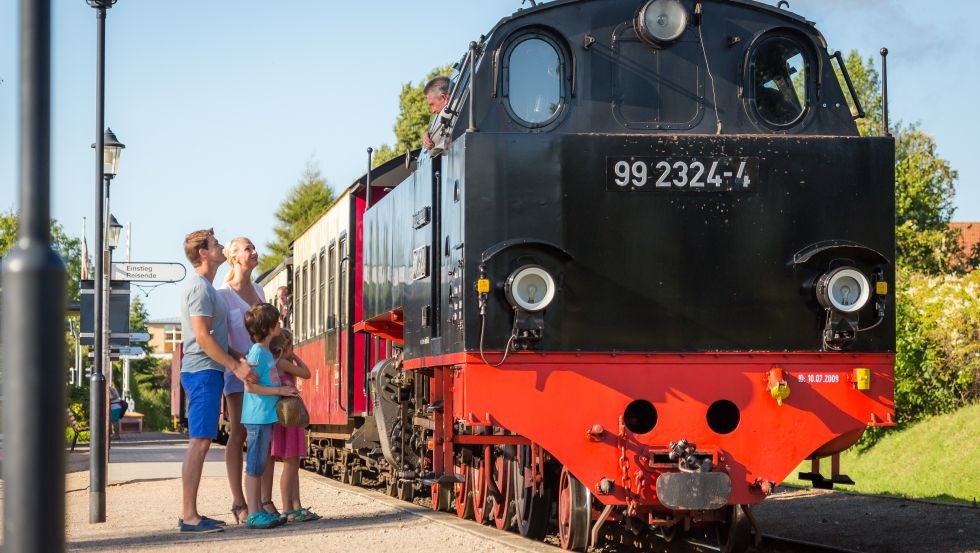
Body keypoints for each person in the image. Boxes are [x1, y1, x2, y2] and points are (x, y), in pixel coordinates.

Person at [178, 228, 256, 533]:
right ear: (203, 253)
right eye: (215, 244)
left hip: (209, 370)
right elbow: (202, 337)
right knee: (199, 442)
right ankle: (189, 516)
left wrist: (237, 357)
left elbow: (218, 339)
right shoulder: (199, 288)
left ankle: (190, 514)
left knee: (202, 440)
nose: (221, 246)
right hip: (202, 371)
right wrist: (234, 367)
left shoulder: (208, 288)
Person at [215, 237, 266, 524]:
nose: (254, 252)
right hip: (238, 372)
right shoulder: (223, 295)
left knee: (263, 432)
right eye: (248, 248)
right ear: (234, 257)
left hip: (265, 372)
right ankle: (238, 501)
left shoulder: (259, 289)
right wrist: (240, 362)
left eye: (254, 247)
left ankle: (262, 500)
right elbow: (220, 339)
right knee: (239, 432)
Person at [241, 302, 298, 529]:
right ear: (271, 327)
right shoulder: (257, 352)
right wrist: (280, 391)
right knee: (254, 466)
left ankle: (258, 510)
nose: (280, 324)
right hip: (256, 418)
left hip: (264, 417)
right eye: (277, 322)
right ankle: (253, 513)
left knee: (259, 465)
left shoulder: (264, 352)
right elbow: (249, 387)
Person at [266, 329, 320, 522]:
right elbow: (306, 373)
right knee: (290, 465)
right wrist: (294, 356)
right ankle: (287, 509)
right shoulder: (282, 363)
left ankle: (296, 505)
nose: (294, 349)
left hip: (290, 417)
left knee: (294, 465)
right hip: (289, 419)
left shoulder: (276, 362)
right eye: (291, 346)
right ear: (284, 348)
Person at [421, 75, 450, 151]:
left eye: (432, 104)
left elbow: (433, 150)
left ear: (444, 98)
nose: (433, 110)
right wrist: (426, 134)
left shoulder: (451, 113)